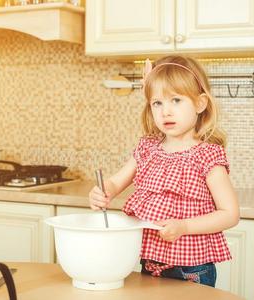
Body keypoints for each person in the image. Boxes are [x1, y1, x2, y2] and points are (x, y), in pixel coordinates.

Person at [88, 55, 239, 287]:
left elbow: (230, 214)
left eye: (176, 100)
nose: (165, 111)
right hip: (149, 264)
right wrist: (102, 191)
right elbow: (115, 183)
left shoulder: (207, 156)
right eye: (157, 103)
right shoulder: (148, 149)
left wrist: (184, 226)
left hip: (192, 270)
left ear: (200, 103)